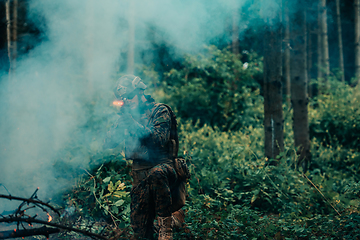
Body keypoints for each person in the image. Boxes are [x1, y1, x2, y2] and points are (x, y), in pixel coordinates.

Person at [103, 75, 185, 240]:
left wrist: (133, 124)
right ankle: (167, 222)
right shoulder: (126, 117)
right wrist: (121, 122)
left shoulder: (160, 111)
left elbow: (158, 140)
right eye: (123, 99)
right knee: (141, 233)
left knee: (157, 173)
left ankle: (166, 230)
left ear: (140, 92)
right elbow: (108, 143)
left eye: (130, 97)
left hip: (165, 171)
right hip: (140, 179)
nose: (129, 101)